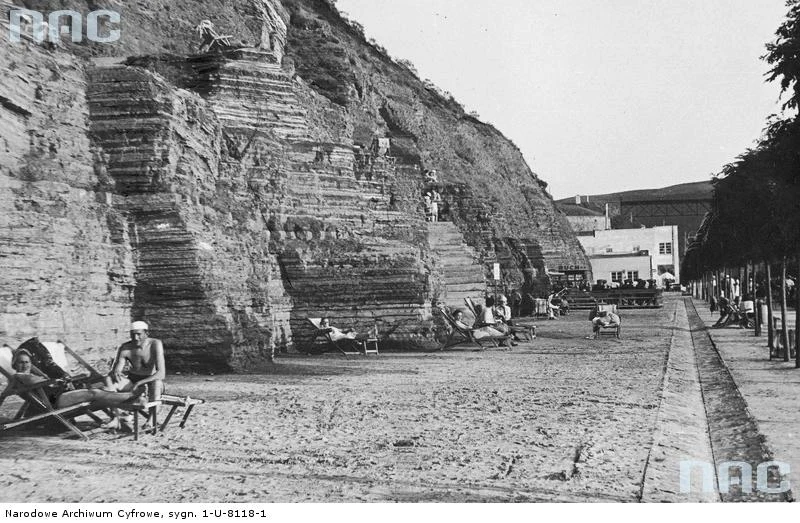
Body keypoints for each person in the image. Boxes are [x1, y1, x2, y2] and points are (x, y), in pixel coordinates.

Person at [0, 350, 144, 416]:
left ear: (31, 363)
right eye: (20, 362)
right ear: (14, 364)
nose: (24, 365)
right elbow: (46, 384)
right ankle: (131, 397)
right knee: (93, 393)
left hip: (61, 394)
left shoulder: (28, 375)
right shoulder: (20, 376)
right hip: (56, 400)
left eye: (27, 362)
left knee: (102, 386)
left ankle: (126, 406)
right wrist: (48, 378)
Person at [106, 321, 165, 403]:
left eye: (139, 334)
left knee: (157, 383)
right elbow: (117, 369)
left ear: (146, 333)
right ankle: (118, 413)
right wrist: (116, 372)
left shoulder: (155, 344)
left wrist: (139, 383)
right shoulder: (125, 347)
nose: (135, 338)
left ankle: (153, 415)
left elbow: (161, 374)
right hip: (132, 381)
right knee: (109, 379)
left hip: (150, 380)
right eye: (132, 335)